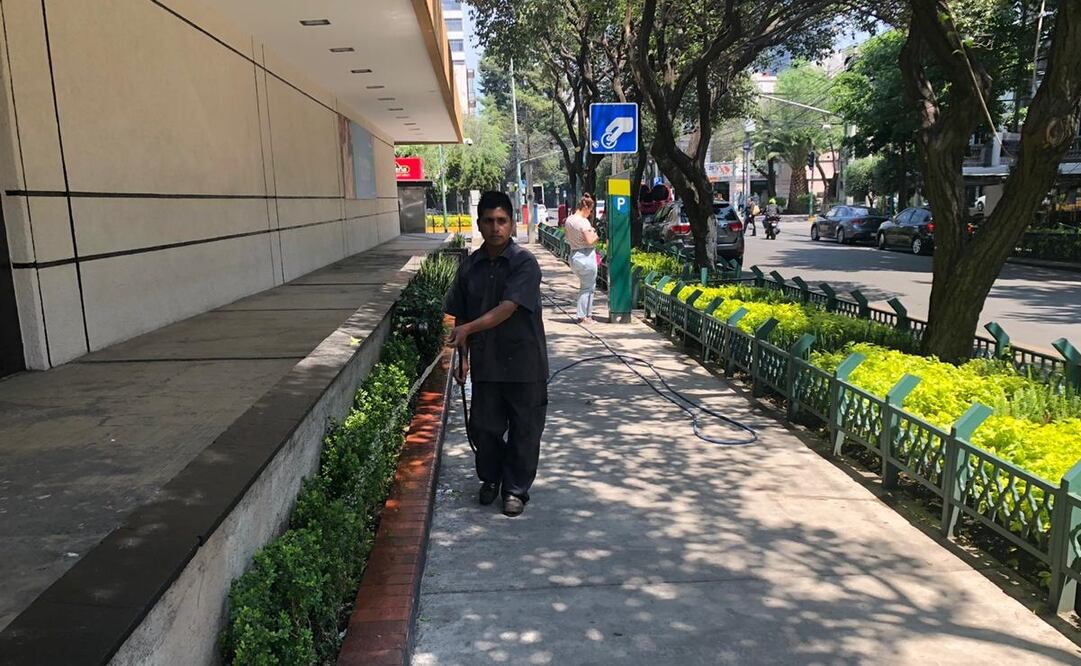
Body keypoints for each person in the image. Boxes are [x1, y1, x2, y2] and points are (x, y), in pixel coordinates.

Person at [444, 191, 549, 517]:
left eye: (501, 221)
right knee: (484, 429)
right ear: (479, 224)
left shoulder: (524, 264)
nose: (495, 228)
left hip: (524, 363)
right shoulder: (469, 267)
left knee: (525, 429)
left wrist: (468, 330)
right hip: (487, 364)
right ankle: (491, 478)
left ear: (512, 223)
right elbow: (460, 314)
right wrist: (462, 359)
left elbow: (508, 308)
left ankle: (516, 489)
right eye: (488, 221)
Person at [563, 193, 600, 323]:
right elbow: (590, 241)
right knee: (588, 287)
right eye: (590, 210)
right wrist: (595, 234)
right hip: (586, 256)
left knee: (584, 285)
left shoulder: (569, 220)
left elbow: (567, 237)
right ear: (586, 208)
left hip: (574, 255)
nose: (590, 213)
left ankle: (583, 314)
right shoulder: (583, 222)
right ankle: (584, 316)